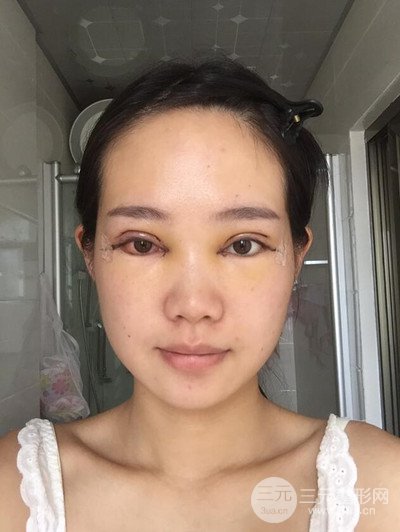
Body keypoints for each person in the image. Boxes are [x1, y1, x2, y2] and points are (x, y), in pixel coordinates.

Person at [1, 58, 399, 532]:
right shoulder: (14, 491)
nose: (192, 307)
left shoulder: (381, 487)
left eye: (243, 245)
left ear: (297, 257)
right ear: (89, 254)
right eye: (141, 244)